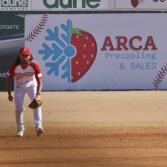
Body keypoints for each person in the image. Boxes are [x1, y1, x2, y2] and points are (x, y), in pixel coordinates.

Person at [6, 47, 44, 137]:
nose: (25, 58)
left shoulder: (34, 65)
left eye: (27, 55)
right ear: (19, 56)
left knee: (37, 104)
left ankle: (39, 126)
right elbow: (9, 79)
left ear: (30, 55)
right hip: (19, 86)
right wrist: (9, 94)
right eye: (23, 56)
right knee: (18, 109)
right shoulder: (14, 66)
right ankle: (20, 130)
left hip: (32, 85)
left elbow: (39, 81)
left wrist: (38, 93)